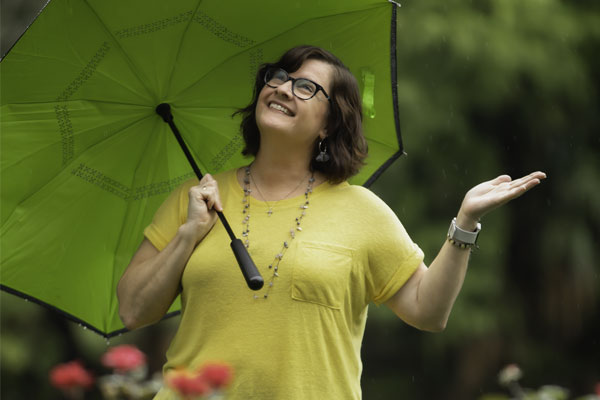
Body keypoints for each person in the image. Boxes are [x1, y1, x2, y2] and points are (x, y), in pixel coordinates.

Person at [117, 45, 546, 399]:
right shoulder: (197, 199)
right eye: (278, 77)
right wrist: (189, 234)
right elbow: (134, 310)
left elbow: (427, 311)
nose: (284, 88)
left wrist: (465, 223)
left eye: (306, 87)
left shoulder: (361, 211)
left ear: (329, 123)